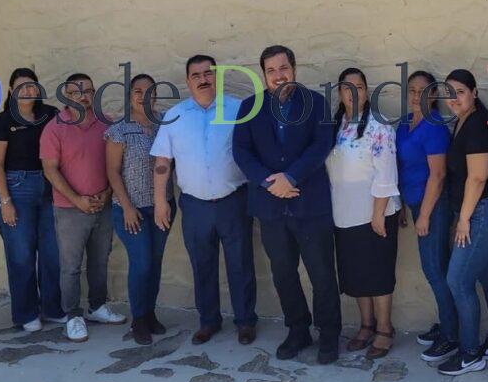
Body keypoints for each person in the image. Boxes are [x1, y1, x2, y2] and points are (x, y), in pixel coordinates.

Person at [232, 45, 340, 364]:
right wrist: (270, 183)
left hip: (311, 206)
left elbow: (322, 144)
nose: (278, 75)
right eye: (271, 70)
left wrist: (290, 177)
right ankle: (298, 330)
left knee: (321, 273)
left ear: (294, 68)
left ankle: (329, 333)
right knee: (283, 273)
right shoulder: (250, 107)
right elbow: (241, 151)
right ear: (263, 74)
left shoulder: (316, 103)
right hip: (270, 209)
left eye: (283, 68)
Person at [151, 55, 256, 346]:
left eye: (208, 73)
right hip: (194, 205)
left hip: (234, 201)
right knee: (202, 265)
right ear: (188, 81)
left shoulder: (238, 109)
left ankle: (245, 321)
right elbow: (162, 162)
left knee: (241, 264)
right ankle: (208, 321)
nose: (203, 79)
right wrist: (161, 201)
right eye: (196, 74)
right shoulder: (175, 116)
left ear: (217, 77)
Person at [40, 73, 124, 342]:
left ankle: (97, 307)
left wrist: (108, 193)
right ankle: (73, 316)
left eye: (87, 91)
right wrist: (77, 199)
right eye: (76, 92)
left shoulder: (106, 124)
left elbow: (115, 164)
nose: (82, 96)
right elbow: (50, 170)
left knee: (100, 260)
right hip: (69, 207)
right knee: (71, 266)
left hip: (103, 205)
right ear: (66, 95)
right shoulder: (54, 127)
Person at [437, 69, 488, 376]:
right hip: (478, 212)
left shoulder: (478, 124)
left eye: (460, 92)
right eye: (449, 93)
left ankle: (469, 354)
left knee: (458, 280)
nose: (454, 99)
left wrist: (463, 219)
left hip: (482, 213)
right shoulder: (464, 120)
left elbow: (478, 177)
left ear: (474, 92)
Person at [327, 68, 401, 360]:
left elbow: (386, 173)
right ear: (340, 94)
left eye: (359, 86)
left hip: (375, 212)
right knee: (357, 275)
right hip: (344, 213)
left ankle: (384, 329)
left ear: (367, 91)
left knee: (378, 274)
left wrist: (378, 214)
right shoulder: (336, 125)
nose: (353, 92)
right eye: (347, 87)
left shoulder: (379, 126)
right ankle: (366, 325)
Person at [0, 67, 64, 333]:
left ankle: (53, 308)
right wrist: (5, 202)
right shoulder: (3, 120)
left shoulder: (51, 115)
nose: (27, 90)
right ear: (11, 91)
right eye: (21, 86)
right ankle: (26, 313)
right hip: (15, 189)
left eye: (31, 85)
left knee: (53, 253)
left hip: (49, 188)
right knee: (21, 255)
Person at [106, 74, 175, 345]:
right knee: (142, 262)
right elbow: (112, 172)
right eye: (137, 91)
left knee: (155, 263)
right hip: (130, 209)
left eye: (149, 92)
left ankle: (150, 314)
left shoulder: (165, 125)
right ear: (129, 95)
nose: (143, 96)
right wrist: (127, 207)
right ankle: (138, 319)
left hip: (161, 207)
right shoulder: (119, 130)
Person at [396, 70, 457, 363]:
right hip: (415, 203)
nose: (415, 95)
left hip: (432, 206)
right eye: (411, 89)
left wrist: (425, 216)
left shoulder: (435, 127)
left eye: (423, 90)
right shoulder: (405, 124)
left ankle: (452, 335)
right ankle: (447, 324)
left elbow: (438, 174)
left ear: (433, 95)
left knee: (436, 270)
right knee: (435, 268)